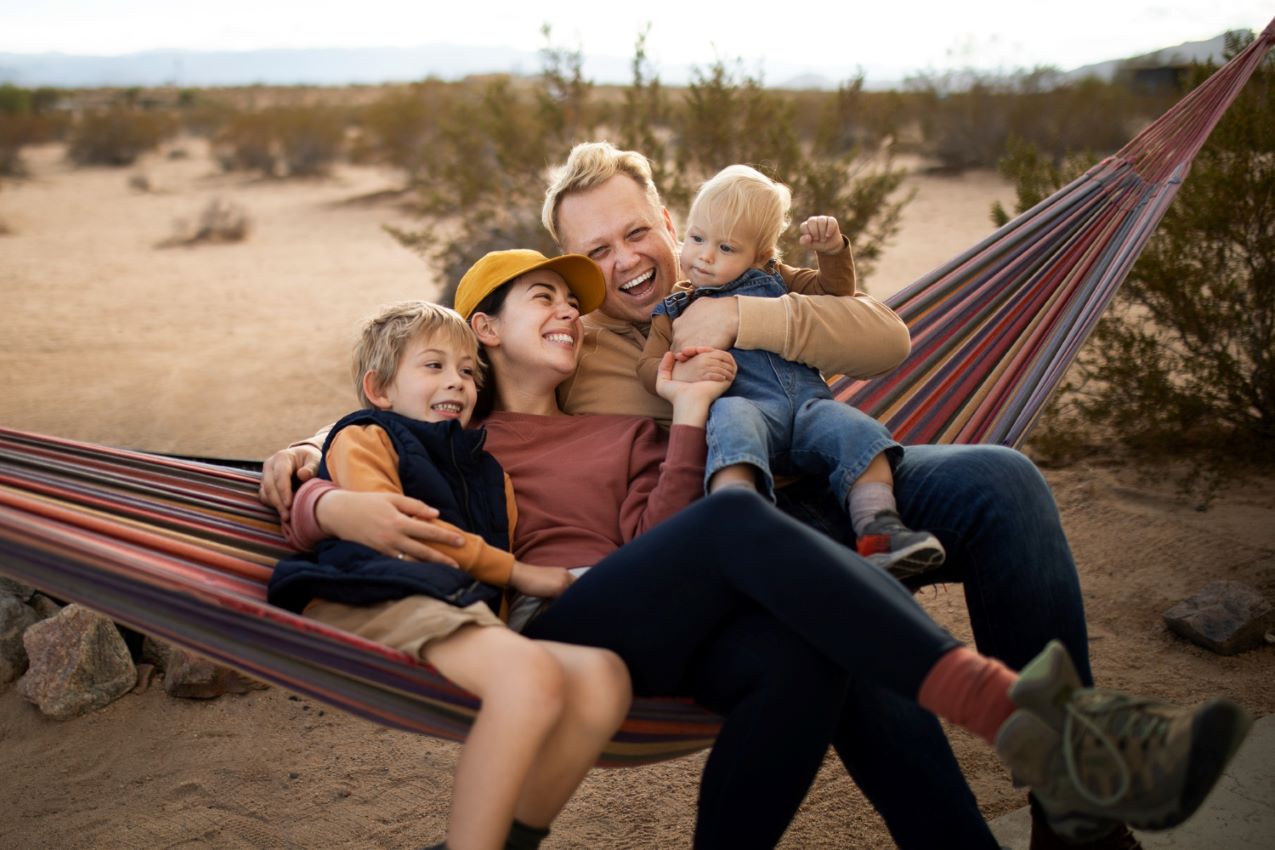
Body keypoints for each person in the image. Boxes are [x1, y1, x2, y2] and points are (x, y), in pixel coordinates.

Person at [255, 141, 1140, 849]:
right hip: (717, 538)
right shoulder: (567, 343)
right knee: (802, 608)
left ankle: (1075, 811)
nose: (618, 264)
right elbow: (413, 411)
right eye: (591, 255)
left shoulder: (738, 278)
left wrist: (741, 321)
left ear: (669, 222)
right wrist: (314, 457)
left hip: (828, 481)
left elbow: (885, 335)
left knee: (1002, 481)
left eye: (634, 234)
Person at [267, 297, 633, 850]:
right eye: (433, 366)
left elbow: (490, 558)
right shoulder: (364, 436)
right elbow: (398, 528)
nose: (456, 382)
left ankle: (507, 840)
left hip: (452, 607)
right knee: (528, 678)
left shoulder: (486, 470)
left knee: (604, 678)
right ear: (379, 389)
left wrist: (506, 615)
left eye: (466, 371)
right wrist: (525, 575)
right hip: (374, 594)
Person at [636, 164, 945, 578]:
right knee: (729, 422)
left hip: (808, 410)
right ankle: (736, 520)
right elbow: (648, 364)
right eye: (696, 238)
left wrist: (833, 251)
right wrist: (677, 374)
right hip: (749, 409)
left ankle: (878, 527)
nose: (705, 256)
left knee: (856, 429)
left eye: (726, 248)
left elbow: (835, 294)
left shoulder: (778, 278)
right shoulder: (675, 307)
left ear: (760, 255)